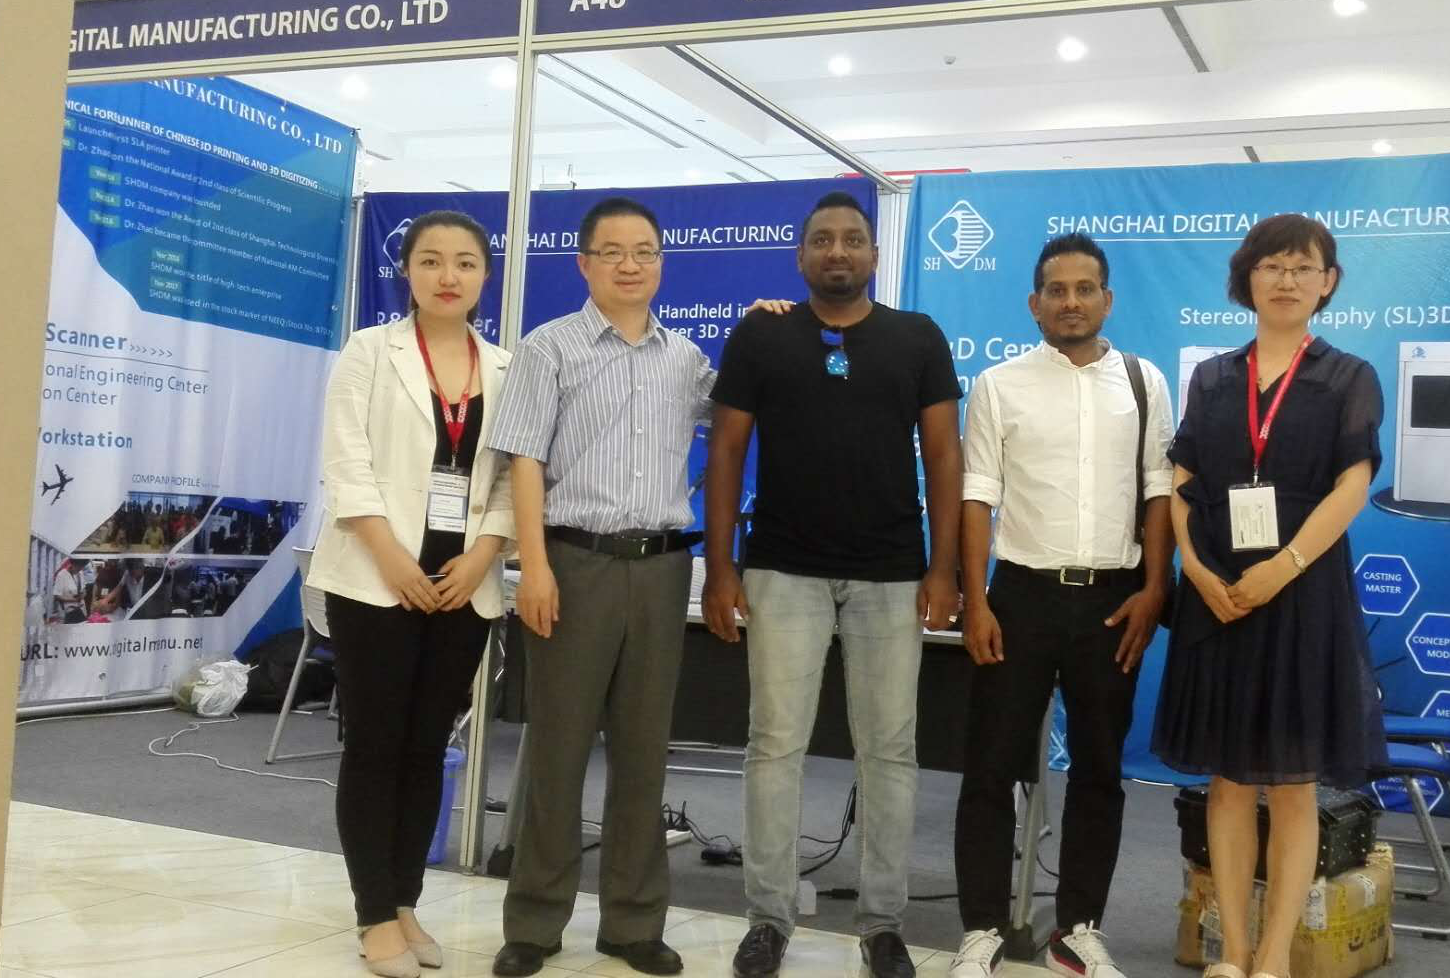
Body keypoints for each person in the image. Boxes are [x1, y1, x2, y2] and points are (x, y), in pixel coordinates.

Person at [487, 197, 790, 978]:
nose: (630, 264)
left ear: (661, 262)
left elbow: (738, 405)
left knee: (643, 753)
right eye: (612, 251)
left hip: (660, 570)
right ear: (583, 263)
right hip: (573, 564)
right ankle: (534, 923)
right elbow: (523, 461)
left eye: (644, 251)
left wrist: (757, 329)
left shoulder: (683, 358)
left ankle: (631, 924)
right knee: (555, 752)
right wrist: (533, 566)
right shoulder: (547, 348)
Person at [704, 190, 963, 978]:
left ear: (874, 255)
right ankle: (767, 919)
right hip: (782, 567)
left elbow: (944, 455)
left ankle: (882, 925)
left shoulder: (916, 337)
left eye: (853, 239)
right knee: (774, 746)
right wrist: (721, 567)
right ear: (801, 255)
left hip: (891, 571)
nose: (838, 251)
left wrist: (944, 567)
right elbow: (725, 451)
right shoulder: (762, 334)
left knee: (889, 751)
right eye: (822, 239)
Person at [1152, 213, 1385, 978]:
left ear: (1327, 282)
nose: (1285, 280)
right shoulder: (1212, 377)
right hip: (1218, 594)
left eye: (1301, 267)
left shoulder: (1347, 377)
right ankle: (1233, 950)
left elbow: (1352, 483)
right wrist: (1195, 569)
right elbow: (1182, 480)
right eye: (1270, 266)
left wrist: (1284, 565)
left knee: (1291, 786)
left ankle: (1276, 956)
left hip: (1301, 597)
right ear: (1245, 279)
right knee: (1225, 781)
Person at [948, 234, 1174, 978]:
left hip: (1114, 602)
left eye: (1084, 289)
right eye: (1056, 289)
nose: (1070, 302)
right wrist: (975, 600)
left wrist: (1154, 588)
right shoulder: (998, 384)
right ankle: (981, 927)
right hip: (1018, 598)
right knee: (990, 768)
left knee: (1100, 770)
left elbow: (1159, 492)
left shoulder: (1144, 382)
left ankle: (1077, 928)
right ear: (1034, 303)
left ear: (1107, 299)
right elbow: (976, 494)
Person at [305, 209, 515, 978]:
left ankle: (404, 904)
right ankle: (372, 914)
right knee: (374, 745)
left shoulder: (507, 368)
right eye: (430, 260)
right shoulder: (369, 351)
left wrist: (482, 555)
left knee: (427, 748)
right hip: (375, 579)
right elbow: (346, 463)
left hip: (463, 586)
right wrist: (392, 558)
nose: (447, 275)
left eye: (464, 262)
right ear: (408, 271)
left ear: (484, 275)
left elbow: (513, 480)